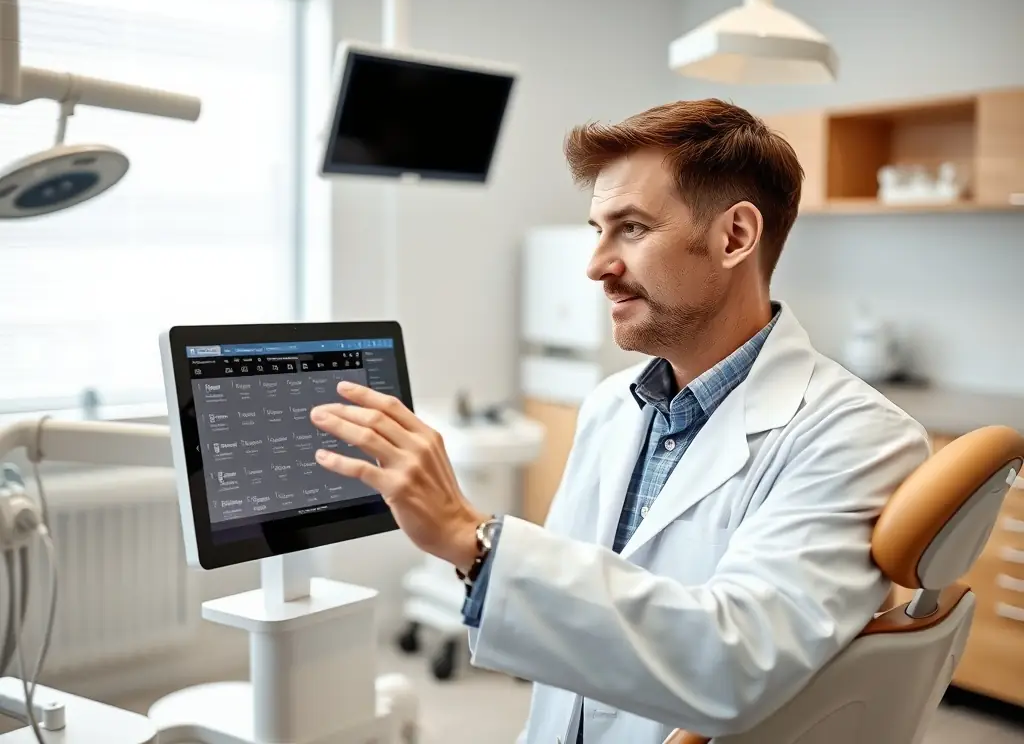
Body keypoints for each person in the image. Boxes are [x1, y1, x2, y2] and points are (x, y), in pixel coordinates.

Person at [309, 99, 931, 744]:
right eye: (597, 229)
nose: (596, 265)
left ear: (735, 237)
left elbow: (738, 663)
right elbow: (576, 629)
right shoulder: (612, 404)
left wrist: (473, 539)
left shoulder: (857, 436)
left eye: (631, 228)